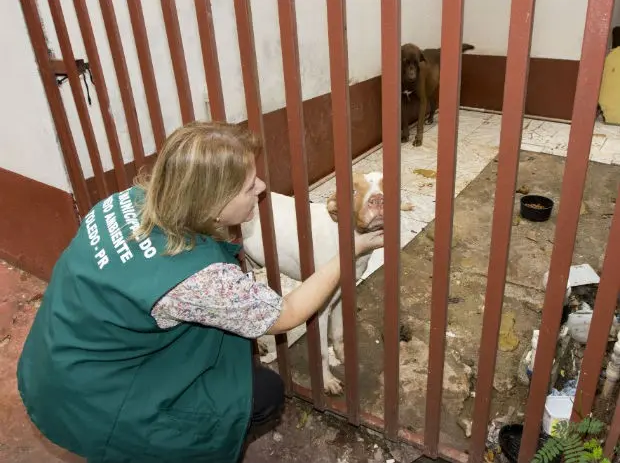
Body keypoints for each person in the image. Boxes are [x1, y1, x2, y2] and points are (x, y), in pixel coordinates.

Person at [17, 121, 384, 463]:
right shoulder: (198, 278)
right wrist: (350, 251)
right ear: (211, 204)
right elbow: (286, 314)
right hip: (90, 402)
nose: (262, 188)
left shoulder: (125, 200)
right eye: (248, 186)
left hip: (54, 361)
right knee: (262, 393)